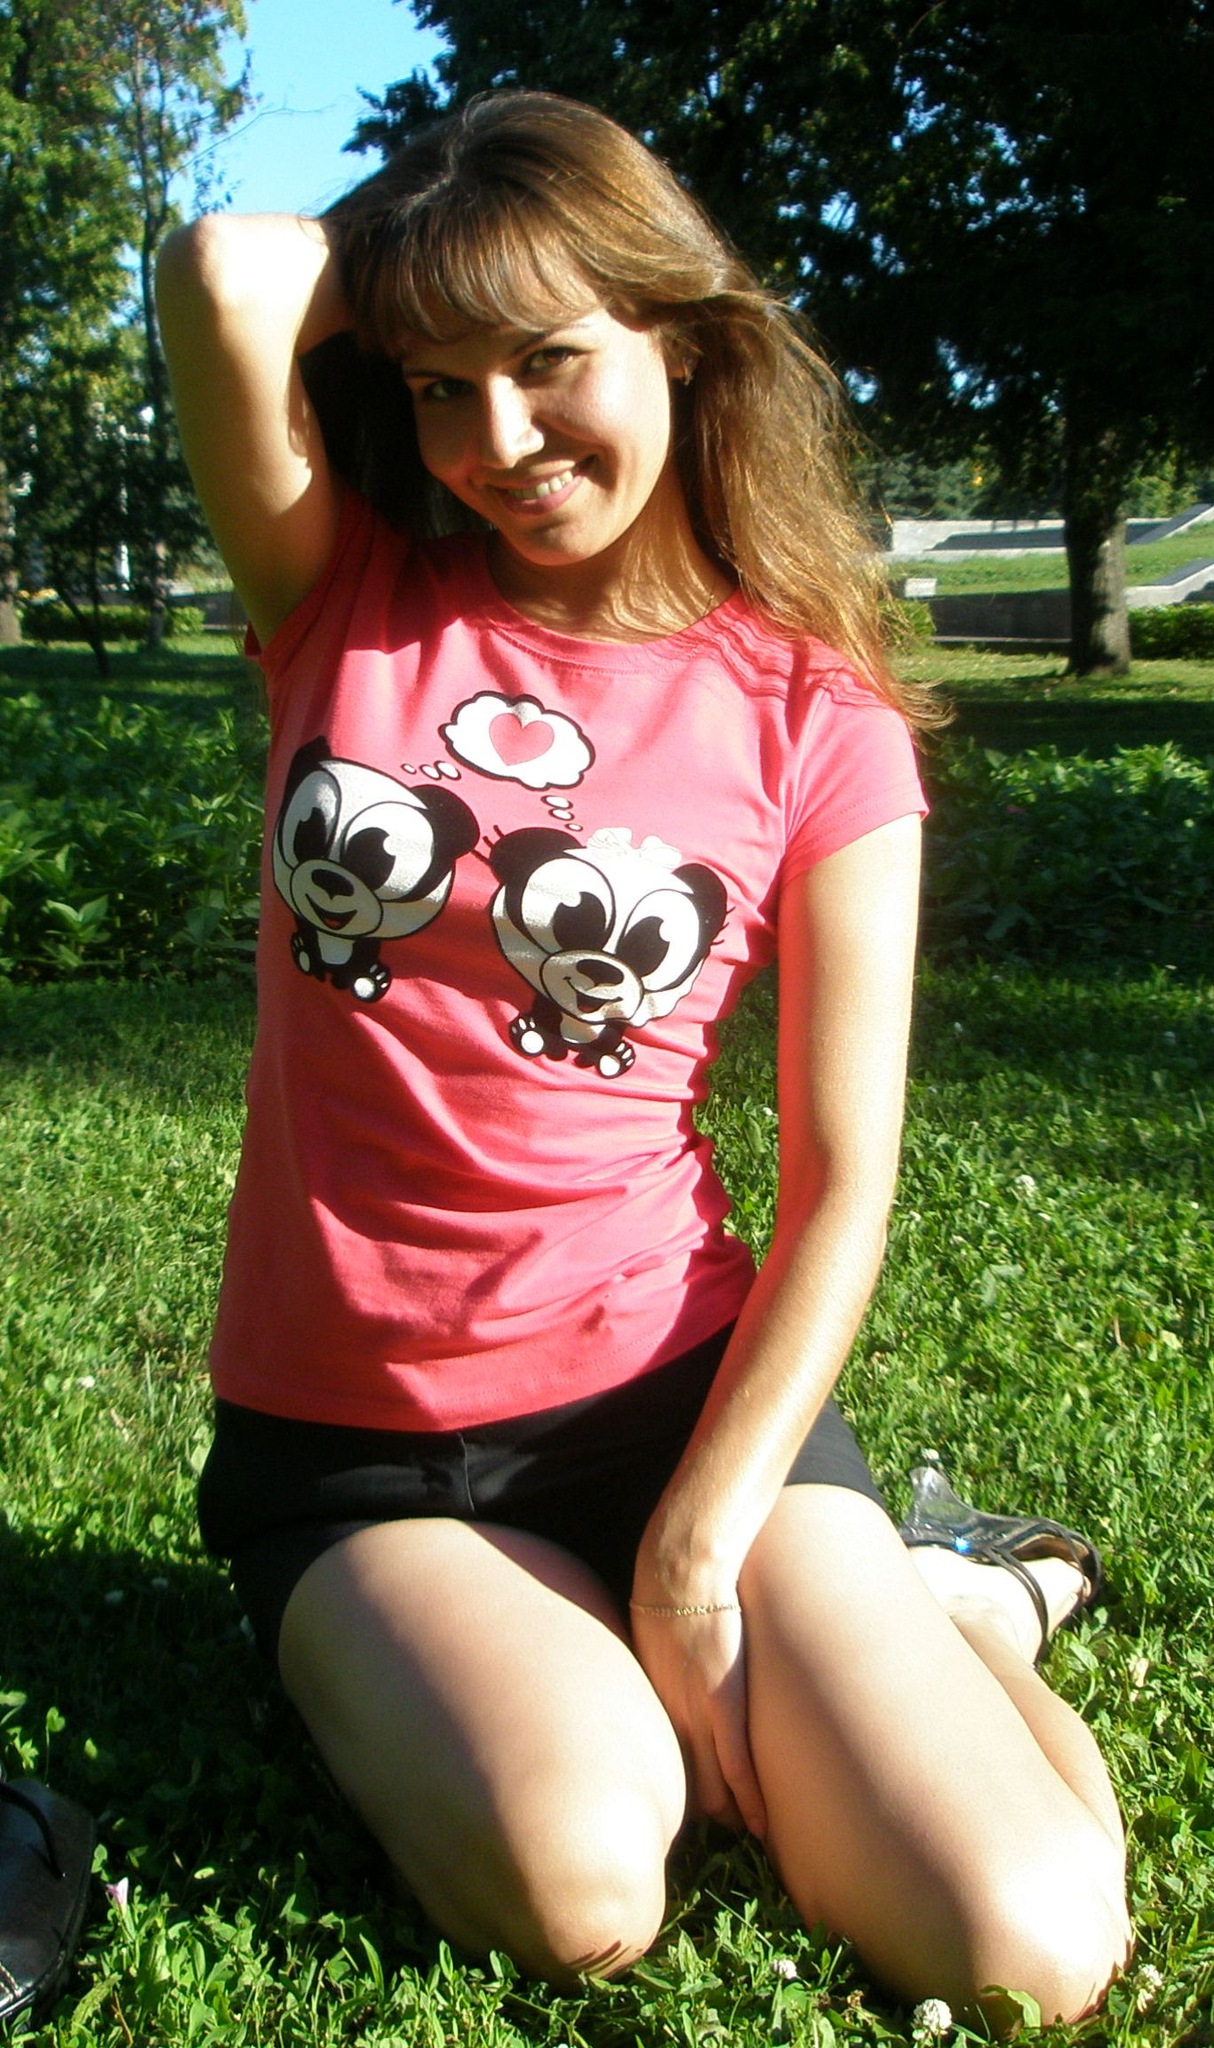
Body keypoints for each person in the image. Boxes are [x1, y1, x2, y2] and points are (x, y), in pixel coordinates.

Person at [156, 91, 1130, 2023]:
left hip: (673, 1395)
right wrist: (451, 245)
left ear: (679, 334)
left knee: (1026, 1948)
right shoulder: (340, 593)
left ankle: (957, 1606)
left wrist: (698, 1545)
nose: (496, 444)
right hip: (361, 1455)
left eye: (548, 360)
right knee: (588, 1885)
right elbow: (224, 269)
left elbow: (843, 1187)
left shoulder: (818, 718)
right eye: (436, 385)